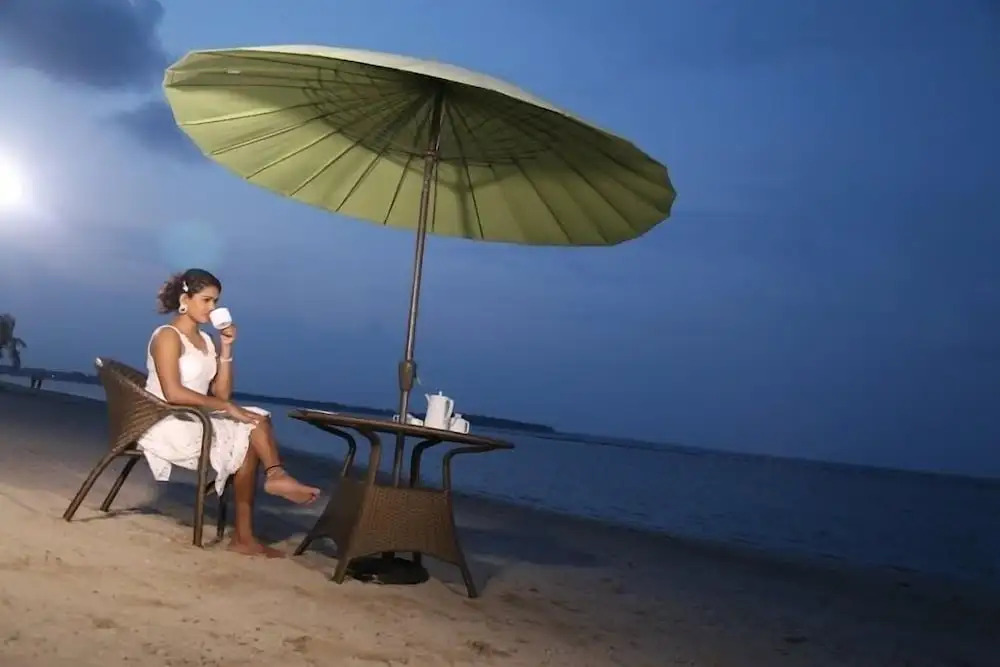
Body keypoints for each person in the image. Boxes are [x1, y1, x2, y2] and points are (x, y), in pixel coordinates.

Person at [138, 268, 320, 557]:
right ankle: (264, 496)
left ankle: (267, 490)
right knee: (249, 429)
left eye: (216, 301)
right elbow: (173, 393)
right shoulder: (167, 336)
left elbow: (222, 394)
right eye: (206, 300)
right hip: (166, 421)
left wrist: (226, 348)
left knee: (255, 421)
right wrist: (226, 408)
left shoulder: (206, 340)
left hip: (195, 417)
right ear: (185, 299)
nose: (212, 308)